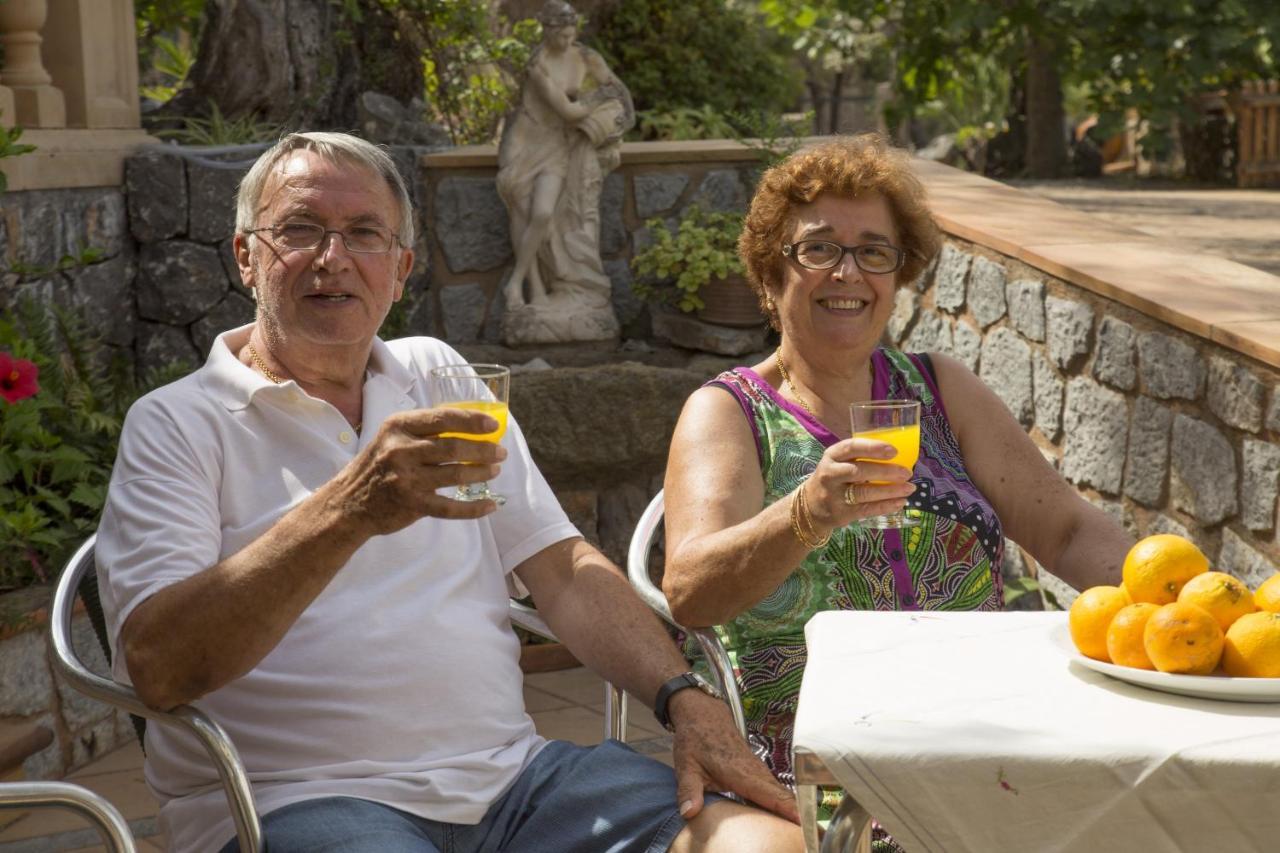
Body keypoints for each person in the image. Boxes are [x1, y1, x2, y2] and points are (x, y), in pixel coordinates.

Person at [95, 131, 801, 853]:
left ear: (399, 270)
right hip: (298, 801)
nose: (332, 258)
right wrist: (349, 508)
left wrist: (685, 697)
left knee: (765, 843)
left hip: (516, 784)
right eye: (300, 229)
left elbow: (562, 569)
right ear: (246, 256)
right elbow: (159, 665)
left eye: (364, 234)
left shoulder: (436, 375)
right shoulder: (178, 423)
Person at [661, 135, 1134, 835]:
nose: (848, 273)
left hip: (984, 741)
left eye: (874, 251)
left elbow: (1065, 530)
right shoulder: (729, 411)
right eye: (819, 249)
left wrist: (1180, 597)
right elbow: (691, 590)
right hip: (818, 769)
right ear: (770, 273)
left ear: (897, 273)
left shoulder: (943, 388)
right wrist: (805, 512)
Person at [495, 0, 631, 322]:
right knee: (524, 213)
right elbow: (568, 111)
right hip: (524, 145)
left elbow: (622, 97)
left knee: (542, 213)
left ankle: (514, 281)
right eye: (561, 36)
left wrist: (612, 114)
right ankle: (533, 289)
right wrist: (601, 96)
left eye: (572, 35)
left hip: (556, 146)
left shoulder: (585, 56)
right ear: (548, 31)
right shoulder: (537, 65)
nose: (567, 41)